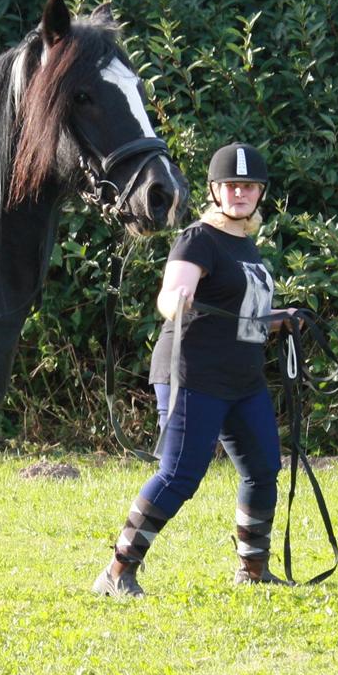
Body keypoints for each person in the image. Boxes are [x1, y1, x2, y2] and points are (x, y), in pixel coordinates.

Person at [94, 142, 299, 597]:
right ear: (216, 191)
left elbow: (239, 311)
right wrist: (176, 301)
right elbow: (172, 294)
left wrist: (282, 318)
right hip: (193, 373)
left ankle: (252, 569)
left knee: (263, 467)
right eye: (231, 186)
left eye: (248, 186)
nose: (240, 193)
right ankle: (117, 571)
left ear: (260, 193)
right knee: (180, 474)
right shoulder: (198, 238)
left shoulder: (246, 244)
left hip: (242, 378)